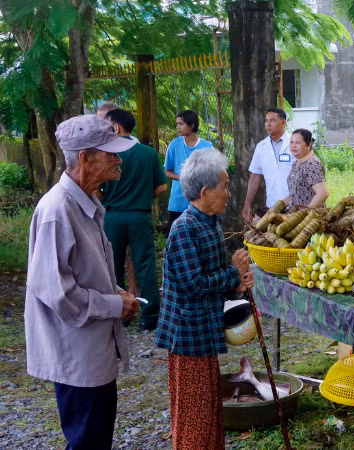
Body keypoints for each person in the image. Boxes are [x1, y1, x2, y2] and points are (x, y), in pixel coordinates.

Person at [25, 115, 140, 449]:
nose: (119, 160)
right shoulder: (57, 210)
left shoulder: (87, 200)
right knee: (87, 440)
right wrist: (114, 304)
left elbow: (86, 271)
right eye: (111, 154)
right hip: (76, 354)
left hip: (92, 350)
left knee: (94, 438)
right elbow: (57, 292)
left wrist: (116, 292)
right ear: (86, 158)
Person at [155, 148, 255, 449]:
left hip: (204, 331)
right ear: (204, 191)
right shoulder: (184, 228)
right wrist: (233, 274)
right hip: (188, 335)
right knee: (194, 413)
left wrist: (233, 286)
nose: (228, 193)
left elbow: (211, 274)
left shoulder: (209, 222)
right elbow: (193, 284)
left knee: (210, 408)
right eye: (224, 186)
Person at [99, 108, 168, 331]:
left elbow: (97, 189)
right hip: (140, 216)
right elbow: (161, 186)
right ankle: (150, 317)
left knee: (112, 266)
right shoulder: (148, 153)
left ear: (116, 127)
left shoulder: (106, 153)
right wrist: (143, 196)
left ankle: (120, 315)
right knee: (145, 265)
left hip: (113, 216)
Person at [164, 110, 213, 231]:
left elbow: (213, 173)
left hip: (200, 202)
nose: (178, 127)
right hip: (177, 203)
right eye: (177, 124)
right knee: (176, 239)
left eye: (181, 124)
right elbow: (167, 171)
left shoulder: (207, 146)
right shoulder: (174, 145)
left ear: (192, 125)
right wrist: (183, 177)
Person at [242, 108, 294, 221]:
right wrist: (247, 203)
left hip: (295, 205)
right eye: (266, 121)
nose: (268, 124)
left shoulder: (294, 143)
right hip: (272, 206)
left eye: (273, 120)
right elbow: (255, 176)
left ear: (283, 122)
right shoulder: (261, 146)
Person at [284, 128, 328, 209]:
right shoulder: (296, 163)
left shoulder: (312, 164)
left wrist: (304, 213)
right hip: (296, 217)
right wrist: (280, 205)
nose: (293, 146)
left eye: (297, 143)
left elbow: (323, 193)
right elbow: (295, 192)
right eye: (291, 142)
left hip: (311, 218)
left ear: (308, 145)